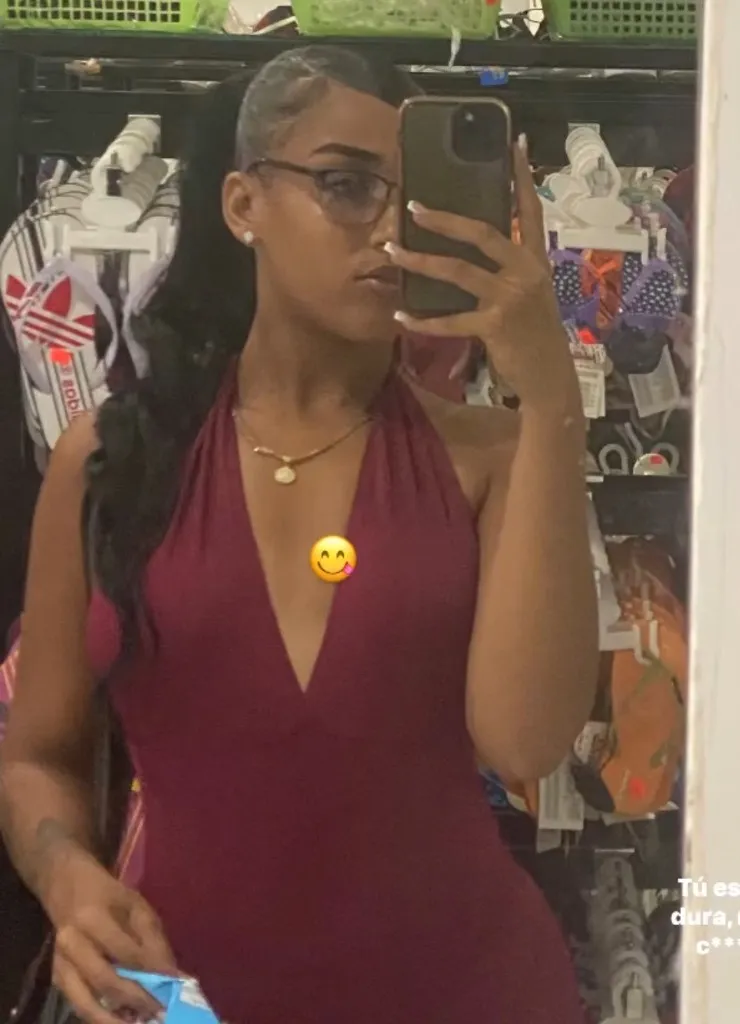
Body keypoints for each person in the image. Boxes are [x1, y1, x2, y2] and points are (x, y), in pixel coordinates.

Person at [0, 47, 599, 1024]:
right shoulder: (109, 462)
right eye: (346, 185)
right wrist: (69, 880)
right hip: (186, 998)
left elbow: (525, 738)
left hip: (465, 993)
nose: (390, 230)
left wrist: (549, 395)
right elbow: (36, 756)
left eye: (414, 197)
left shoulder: (493, 455)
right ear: (244, 204)